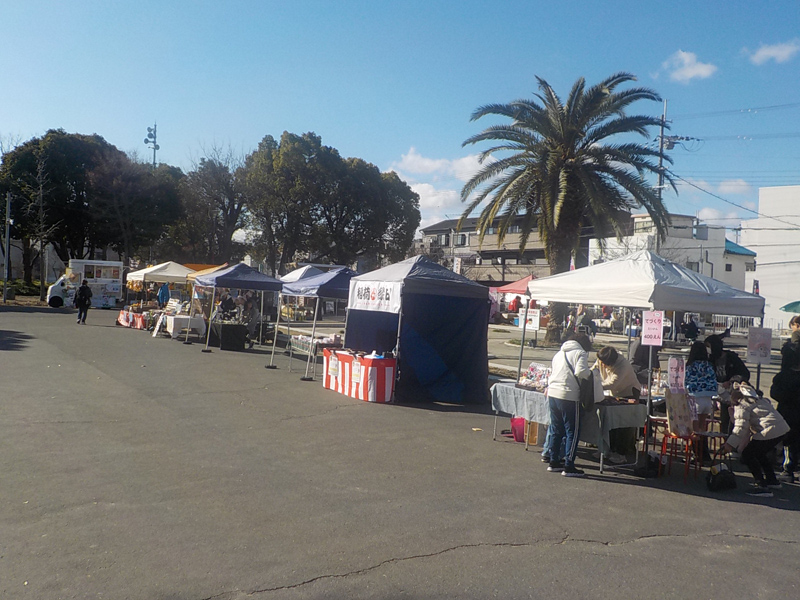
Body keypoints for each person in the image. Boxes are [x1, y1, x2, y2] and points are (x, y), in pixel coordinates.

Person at [724, 382, 789, 497]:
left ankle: (761, 486)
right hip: (781, 428)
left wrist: (730, 444)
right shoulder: (758, 399)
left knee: (748, 454)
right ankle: (772, 480)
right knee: (759, 453)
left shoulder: (742, 405)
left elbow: (740, 427)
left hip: (770, 430)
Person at [545, 332, 593, 477]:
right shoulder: (580, 353)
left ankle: (553, 461)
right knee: (573, 431)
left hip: (553, 393)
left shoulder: (559, 353)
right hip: (569, 396)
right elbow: (581, 372)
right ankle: (569, 465)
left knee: (556, 428)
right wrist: (592, 374)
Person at [593, 346, 641, 462]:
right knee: (610, 422)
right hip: (614, 394)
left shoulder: (623, 365)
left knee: (623, 425)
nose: (602, 365)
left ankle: (621, 454)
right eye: (601, 362)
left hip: (629, 393)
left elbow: (613, 383)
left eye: (605, 363)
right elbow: (593, 370)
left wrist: (595, 386)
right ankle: (606, 450)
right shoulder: (601, 358)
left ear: (611, 362)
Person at [705, 333, 750, 435]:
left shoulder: (731, 357)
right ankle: (726, 445)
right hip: (722, 396)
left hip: (735, 395)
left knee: (736, 423)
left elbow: (744, 373)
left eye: (708, 346)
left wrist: (731, 381)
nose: (707, 349)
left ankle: (734, 445)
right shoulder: (710, 360)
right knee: (725, 423)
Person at [770, 345, 800, 483]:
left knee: (788, 441)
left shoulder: (782, 376)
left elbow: (775, 394)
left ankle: (788, 469)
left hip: (787, 412)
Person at [684, 341, 719, 461]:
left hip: (695, 399)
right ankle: (704, 454)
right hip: (708, 400)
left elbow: (685, 382)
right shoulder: (709, 365)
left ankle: (697, 455)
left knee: (694, 430)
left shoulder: (690, 366)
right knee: (703, 428)